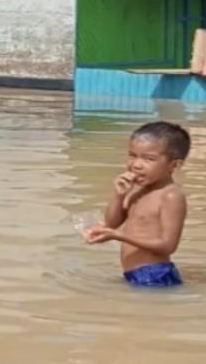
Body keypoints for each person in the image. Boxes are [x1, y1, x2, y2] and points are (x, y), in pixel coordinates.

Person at [84, 122, 190, 288]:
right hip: (135, 274)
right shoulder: (136, 190)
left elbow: (168, 246)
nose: (136, 165)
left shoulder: (170, 196)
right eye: (132, 155)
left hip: (156, 275)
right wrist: (119, 195)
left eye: (149, 159)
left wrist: (119, 236)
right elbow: (112, 223)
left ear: (174, 165)